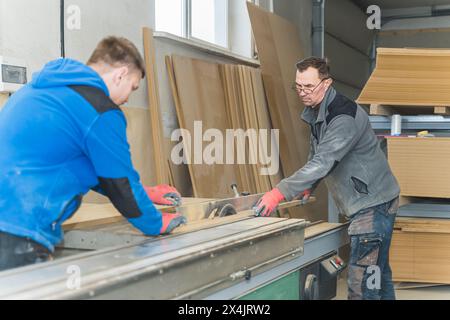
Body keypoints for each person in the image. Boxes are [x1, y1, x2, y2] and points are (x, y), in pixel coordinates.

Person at [0, 36, 186, 272]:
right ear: (120, 74)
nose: (128, 98)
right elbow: (118, 183)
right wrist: (155, 222)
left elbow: (88, 168)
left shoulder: (40, 90)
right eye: (133, 86)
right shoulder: (99, 109)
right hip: (17, 232)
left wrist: (146, 193)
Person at [254, 57, 400, 300]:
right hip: (373, 202)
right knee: (379, 276)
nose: (302, 92)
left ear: (327, 83)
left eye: (308, 87)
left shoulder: (342, 116)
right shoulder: (317, 111)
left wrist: (279, 192)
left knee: (361, 285)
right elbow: (317, 154)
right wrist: (309, 184)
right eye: (298, 86)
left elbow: (324, 161)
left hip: (373, 207)